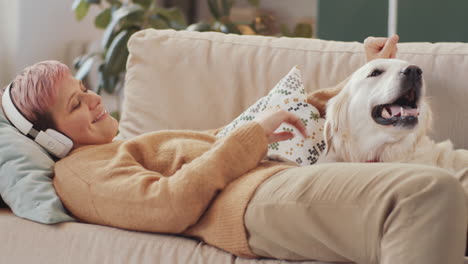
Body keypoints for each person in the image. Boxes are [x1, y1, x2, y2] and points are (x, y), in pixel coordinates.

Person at [2, 34, 467, 264]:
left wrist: (368, 78)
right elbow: (169, 206)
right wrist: (252, 138)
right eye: (76, 104)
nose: (95, 100)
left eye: (86, 89)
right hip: (252, 201)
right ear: (51, 138)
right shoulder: (81, 173)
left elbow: (243, 134)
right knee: (427, 193)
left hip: (275, 177)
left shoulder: (131, 144)